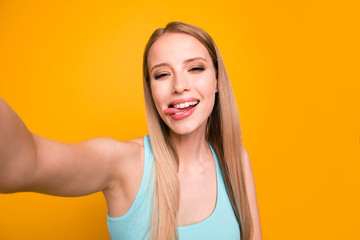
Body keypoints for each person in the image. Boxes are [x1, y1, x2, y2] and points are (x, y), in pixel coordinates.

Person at [0, 22, 261, 239]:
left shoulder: (236, 160)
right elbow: (23, 165)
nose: (180, 86)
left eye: (195, 68)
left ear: (217, 81)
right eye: (162, 75)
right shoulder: (124, 163)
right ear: (151, 91)